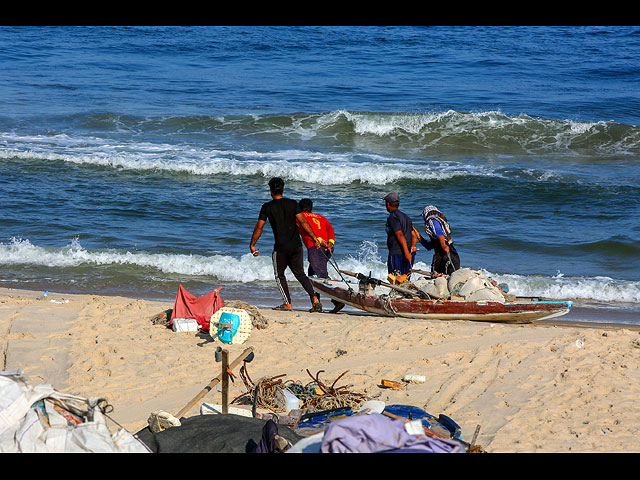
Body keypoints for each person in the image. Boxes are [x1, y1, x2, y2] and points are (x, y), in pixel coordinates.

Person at [249, 177, 323, 313]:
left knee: (279, 275)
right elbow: (303, 223)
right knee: (300, 273)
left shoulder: (267, 207)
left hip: (281, 248)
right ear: (283, 189)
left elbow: (259, 228)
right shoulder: (293, 203)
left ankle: (287, 303)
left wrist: (252, 245)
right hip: (297, 246)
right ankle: (314, 298)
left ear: (270, 191)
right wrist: (314, 238)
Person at [297, 198, 345, 314]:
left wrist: (319, 240)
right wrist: (330, 243)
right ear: (312, 209)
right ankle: (316, 303)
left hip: (316, 247)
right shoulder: (321, 217)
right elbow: (330, 229)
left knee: (321, 276)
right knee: (312, 274)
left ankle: (337, 301)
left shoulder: (300, 216)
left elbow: (309, 228)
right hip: (328, 247)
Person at [414, 205, 460, 275]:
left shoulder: (432, 220)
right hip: (453, 256)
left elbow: (438, 232)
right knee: (451, 279)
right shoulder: (443, 229)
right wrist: (418, 235)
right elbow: (428, 246)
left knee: (437, 279)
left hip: (443, 257)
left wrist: (443, 245)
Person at [383, 192, 417, 282]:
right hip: (409, 252)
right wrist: (412, 247)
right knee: (405, 280)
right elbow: (414, 236)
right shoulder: (406, 217)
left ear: (388, 204)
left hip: (397, 253)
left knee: (395, 279)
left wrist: (406, 253)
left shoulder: (392, 217)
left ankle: (396, 295)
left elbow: (400, 235)